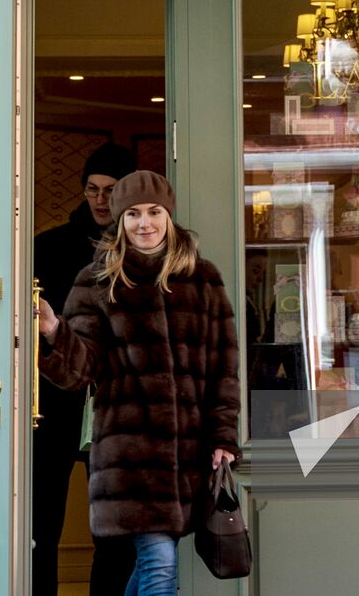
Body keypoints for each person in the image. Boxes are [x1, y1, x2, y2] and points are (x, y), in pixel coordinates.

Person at [37, 170, 242, 596]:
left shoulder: (204, 280)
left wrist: (223, 435)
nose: (144, 223)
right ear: (119, 219)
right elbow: (80, 372)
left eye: (153, 212)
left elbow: (224, 368)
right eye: (132, 213)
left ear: (168, 215)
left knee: (149, 564)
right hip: (127, 455)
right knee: (161, 564)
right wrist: (56, 332)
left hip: (187, 450)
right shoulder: (95, 281)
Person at [33, 142, 138, 596]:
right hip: (55, 398)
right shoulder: (47, 246)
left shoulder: (144, 248)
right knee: (40, 522)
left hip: (115, 406)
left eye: (109, 190)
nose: (99, 199)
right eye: (92, 189)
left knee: (112, 532)